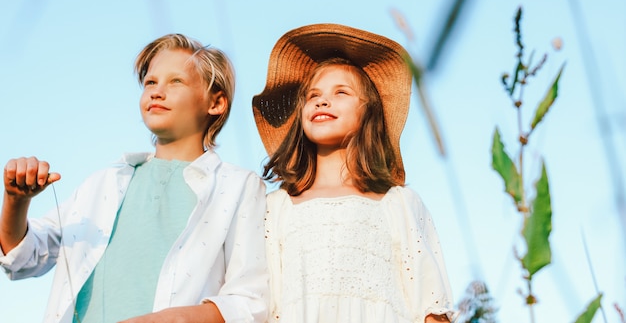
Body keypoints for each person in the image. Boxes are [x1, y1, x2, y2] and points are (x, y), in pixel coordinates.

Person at [0, 34, 269, 323]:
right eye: (150, 82)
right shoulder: (103, 183)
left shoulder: (238, 186)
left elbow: (249, 301)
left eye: (175, 81)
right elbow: (22, 259)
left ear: (215, 103)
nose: (156, 91)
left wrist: (169, 319)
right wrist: (16, 201)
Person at [252, 23, 455, 323]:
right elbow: (263, 307)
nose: (322, 100)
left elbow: (431, 306)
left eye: (341, 92)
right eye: (312, 95)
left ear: (367, 112)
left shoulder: (400, 203)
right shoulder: (275, 208)